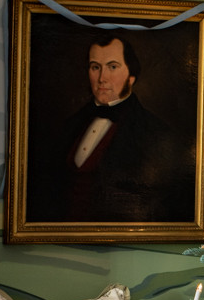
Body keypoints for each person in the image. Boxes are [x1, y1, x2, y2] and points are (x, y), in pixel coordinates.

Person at [30, 33, 190, 224]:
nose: (101, 78)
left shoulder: (156, 134)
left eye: (112, 67)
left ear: (131, 76)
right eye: (95, 67)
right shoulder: (68, 126)